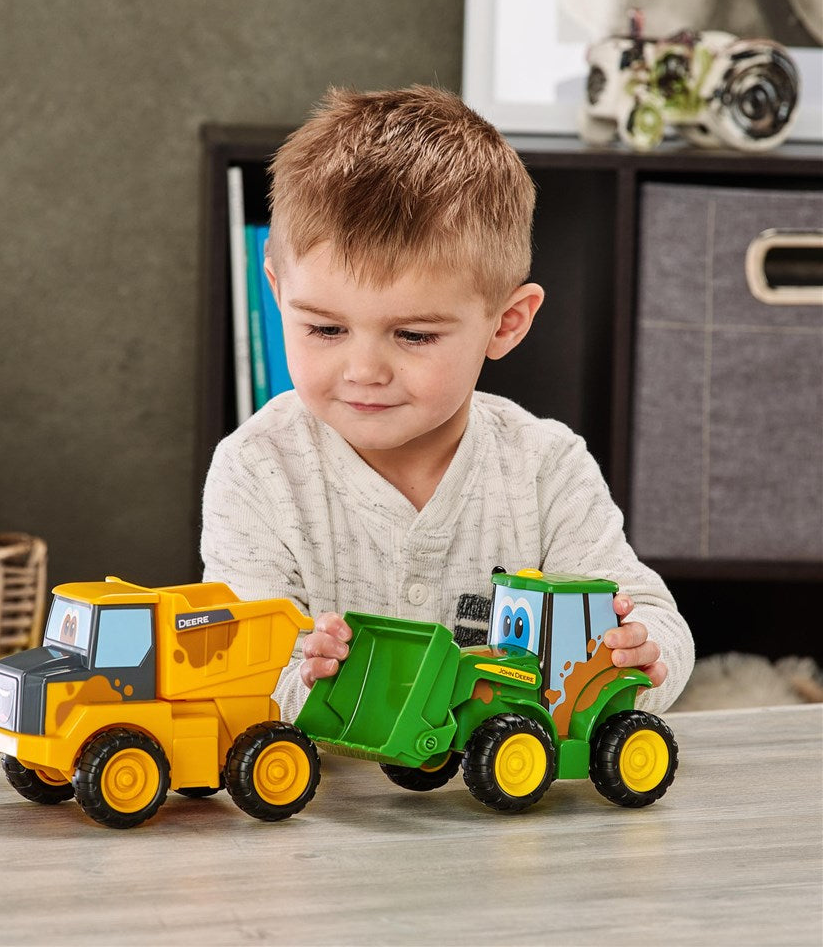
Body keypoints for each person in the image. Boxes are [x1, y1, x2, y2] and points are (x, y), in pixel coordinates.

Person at [201, 84, 694, 721]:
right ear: (278, 293)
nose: (364, 371)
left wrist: (642, 656)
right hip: (324, 809)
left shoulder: (544, 467)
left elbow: (650, 615)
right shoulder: (256, 470)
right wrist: (303, 673)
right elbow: (245, 670)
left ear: (506, 323)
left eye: (413, 335)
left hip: (510, 794)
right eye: (325, 329)